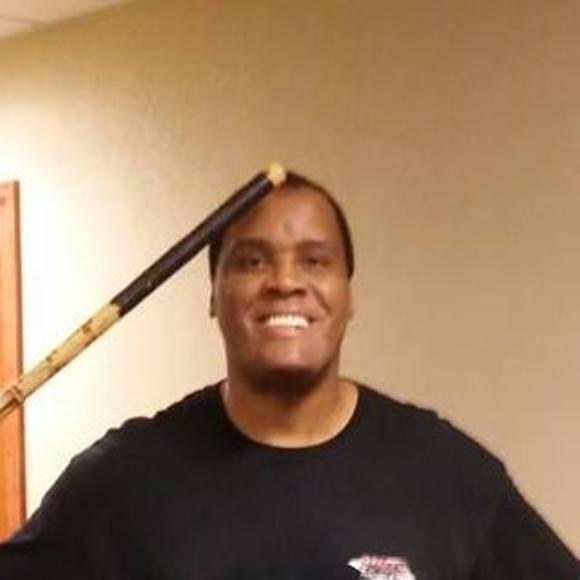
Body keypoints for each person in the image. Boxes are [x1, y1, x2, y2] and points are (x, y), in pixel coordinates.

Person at [0, 171, 577, 579]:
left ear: (347, 296)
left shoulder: (446, 474)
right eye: (251, 261)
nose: (285, 281)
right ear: (214, 296)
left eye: (315, 261)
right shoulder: (121, 482)